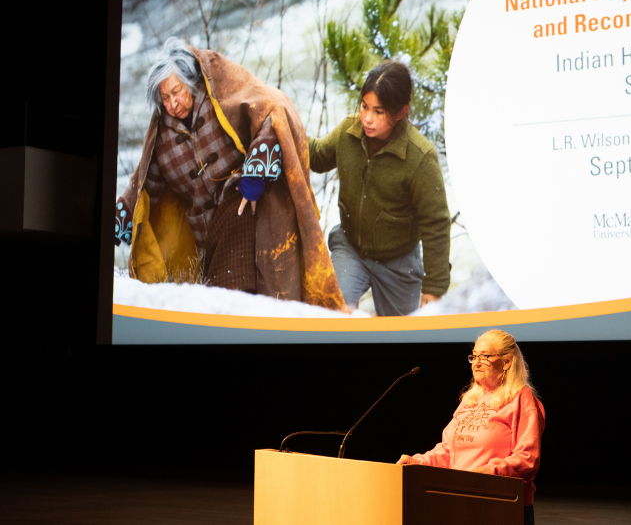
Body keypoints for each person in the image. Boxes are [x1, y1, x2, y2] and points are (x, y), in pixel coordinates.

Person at [115, 37, 344, 310]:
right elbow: (143, 186)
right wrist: (119, 219)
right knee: (219, 300)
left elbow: (271, 112)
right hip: (202, 235)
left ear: (190, 84)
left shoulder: (220, 99)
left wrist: (254, 174)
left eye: (177, 92)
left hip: (245, 207)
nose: (173, 103)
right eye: (165, 98)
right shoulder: (162, 138)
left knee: (248, 290)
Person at [308, 60, 451, 316]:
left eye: (379, 111)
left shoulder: (420, 157)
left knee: (403, 338)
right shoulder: (347, 132)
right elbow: (317, 157)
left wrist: (434, 288)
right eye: (364, 106)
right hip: (350, 247)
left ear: (400, 112)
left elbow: (436, 224)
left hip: (399, 262)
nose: (367, 118)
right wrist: (284, 129)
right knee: (331, 315)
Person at [397, 329, 545, 525]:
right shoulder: (469, 400)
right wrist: (418, 462)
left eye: (485, 356)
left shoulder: (521, 398)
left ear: (507, 362)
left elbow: (528, 458)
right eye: (474, 356)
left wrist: (489, 472)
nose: (476, 362)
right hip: (460, 499)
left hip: (500, 504)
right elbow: (448, 450)